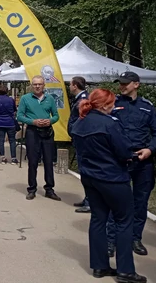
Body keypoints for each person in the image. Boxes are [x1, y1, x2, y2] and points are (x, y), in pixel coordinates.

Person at [71, 89, 147, 283]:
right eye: (112, 104)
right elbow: (123, 150)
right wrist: (133, 156)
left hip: (89, 177)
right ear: (105, 105)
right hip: (112, 178)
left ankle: (100, 266)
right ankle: (126, 271)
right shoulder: (109, 124)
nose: (114, 107)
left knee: (98, 219)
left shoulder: (80, 122)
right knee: (124, 221)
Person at [107, 72, 156, 257]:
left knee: (140, 201)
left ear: (136, 85)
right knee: (116, 201)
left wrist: (150, 150)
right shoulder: (113, 104)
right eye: (120, 83)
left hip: (142, 160)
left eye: (125, 83)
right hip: (120, 159)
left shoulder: (147, 107)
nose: (121, 86)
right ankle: (111, 240)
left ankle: (135, 238)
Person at [17, 75, 60, 201]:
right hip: (32, 132)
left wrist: (50, 121)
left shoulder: (50, 99)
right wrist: (33, 121)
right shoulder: (25, 98)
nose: (37, 86)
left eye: (39, 84)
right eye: (35, 84)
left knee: (48, 161)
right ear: (31, 85)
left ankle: (49, 189)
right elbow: (19, 116)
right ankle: (32, 189)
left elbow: (56, 116)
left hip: (47, 133)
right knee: (33, 161)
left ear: (43, 85)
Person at [68, 76, 90, 213]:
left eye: (70, 84)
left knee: (86, 172)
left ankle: (89, 201)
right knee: (84, 172)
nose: (69, 87)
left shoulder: (83, 100)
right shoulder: (80, 99)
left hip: (83, 142)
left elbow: (83, 120)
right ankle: (87, 198)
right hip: (79, 140)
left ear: (75, 85)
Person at [0, 85, 19, 164]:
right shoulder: (11, 100)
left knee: (1, 140)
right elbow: (15, 109)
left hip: (0, 122)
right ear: (7, 91)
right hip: (10, 122)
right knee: (12, 140)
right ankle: (13, 158)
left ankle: (3, 157)